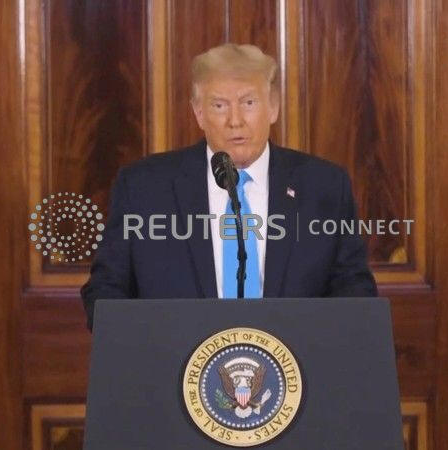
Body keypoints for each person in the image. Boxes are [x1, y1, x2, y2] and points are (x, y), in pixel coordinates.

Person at [81, 43, 376, 329]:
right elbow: (105, 292)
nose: (235, 121)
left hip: (293, 360)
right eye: (219, 105)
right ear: (199, 113)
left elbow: (354, 292)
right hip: (176, 359)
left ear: (273, 107)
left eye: (249, 103)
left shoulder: (324, 186)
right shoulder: (144, 188)